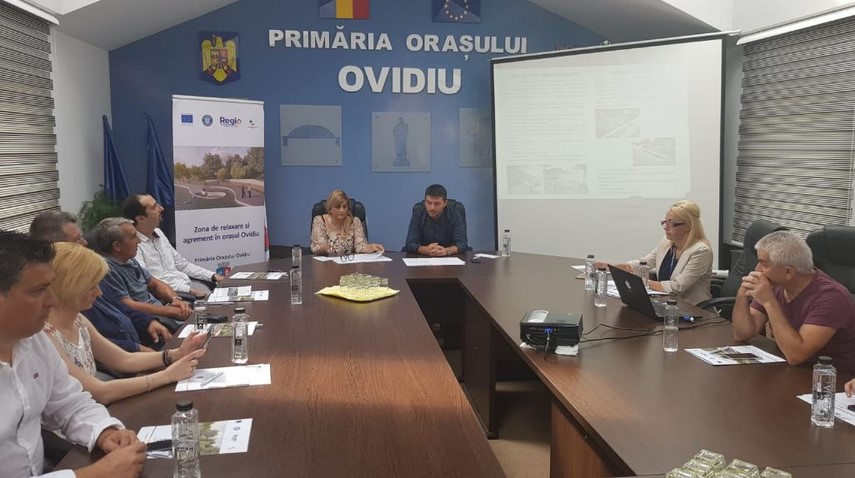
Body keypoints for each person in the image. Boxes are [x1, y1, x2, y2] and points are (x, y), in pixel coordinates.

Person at [0, 231, 146, 478]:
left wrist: (105, 432)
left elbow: (70, 403)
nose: (52, 300)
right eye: (39, 290)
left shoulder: (34, 342)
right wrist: (94, 475)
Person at [45, 242, 207, 405]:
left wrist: (176, 354)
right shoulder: (46, 336)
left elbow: (124, 359)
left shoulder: (79, 321)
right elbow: (99, 392)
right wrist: (167, 375)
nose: (99, 293)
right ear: (70, 287)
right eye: (92, 286)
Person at [732, 230, 855, 372]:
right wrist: (742, 294)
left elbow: (796, 356)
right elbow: (742, 333)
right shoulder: (775, 285)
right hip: (789, 369)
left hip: (831, 378)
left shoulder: (832, 297)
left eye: (764, 264)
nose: (757, 269)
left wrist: (769, 302)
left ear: (788, 272)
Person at [598, 200, 712, 304]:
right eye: (665, 222)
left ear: (688, 226)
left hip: (693, 309)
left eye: (672, 223)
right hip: (666, 303)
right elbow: (644, 263)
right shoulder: (667, 242)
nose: (665, 227)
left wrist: (642, 283)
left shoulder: (701, 251)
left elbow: (677, 286)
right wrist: (612, 266)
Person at [89, 217, 192, 328]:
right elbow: (129, 305)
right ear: (117, 246)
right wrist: (170, 311)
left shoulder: (129, 260)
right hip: (153, 323)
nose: (139, 241)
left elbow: (155, 283)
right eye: (133, 237)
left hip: (165, 313)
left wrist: (175, 300)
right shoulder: (108, 270)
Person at [123, 194, 222, 296]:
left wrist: (213, 276)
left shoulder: (158, 232)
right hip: (169, 296)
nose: (161, 208)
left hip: (186, 288)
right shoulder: (133, 245)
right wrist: (191, 291)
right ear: (140, 218)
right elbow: (150, 282)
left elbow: (182, 265)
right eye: (154, 207)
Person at [310, 190, 384, 256]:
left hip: (349, 263)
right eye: (338, 207)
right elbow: (317, 247)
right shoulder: (320, 220)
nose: (341, 210)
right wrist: (324, 248)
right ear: (330, 208)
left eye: (344, 207)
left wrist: (371, 247)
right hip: (327, 263)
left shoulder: (354, 221)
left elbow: (360, 246)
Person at [405, 184, 468, 257]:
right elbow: (410, 243)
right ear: (425, 201)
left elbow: (462, 243)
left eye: (437, 204)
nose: (432, 207)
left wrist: (446, 251)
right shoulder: (419, 211)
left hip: (449, 256)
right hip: (424, 257)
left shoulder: (455, 212)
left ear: (445, 203)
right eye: (428, 203)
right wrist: (426, 250)